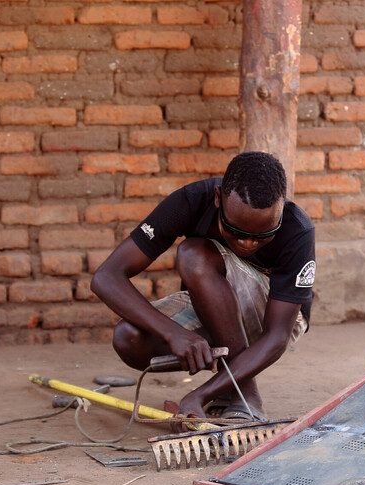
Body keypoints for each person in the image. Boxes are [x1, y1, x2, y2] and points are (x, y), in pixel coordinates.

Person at [91, 152, 315, 420]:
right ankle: (235, 384)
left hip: (276, 316)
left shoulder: (297, 229)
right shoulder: (191, 201)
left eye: (263, 236)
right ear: (218, 199)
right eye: (236, 232)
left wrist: (200, 394)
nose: (248, 244)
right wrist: (173, 333)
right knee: (129, 337)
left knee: (194, 254)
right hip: (215, 303)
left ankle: (244, 394)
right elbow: (106, 277)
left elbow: (277, 336)